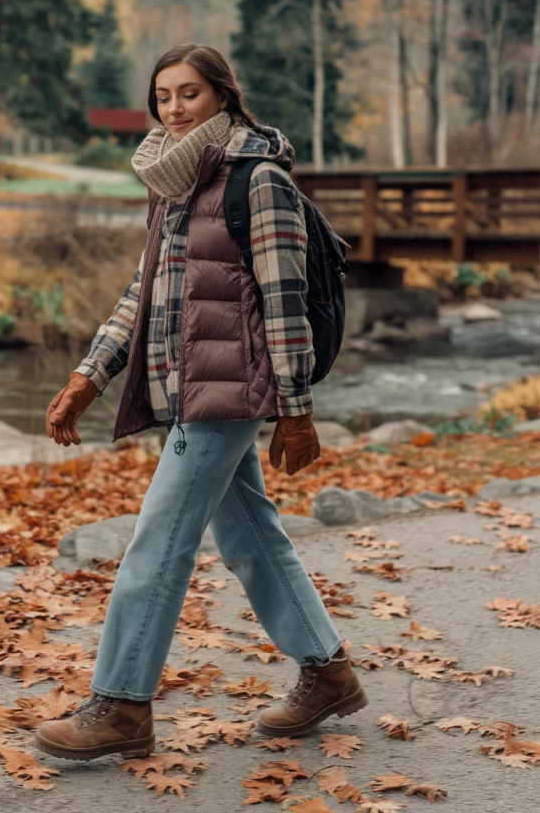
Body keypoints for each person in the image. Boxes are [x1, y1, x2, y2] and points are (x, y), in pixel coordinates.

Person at [35, 43, 367, 762]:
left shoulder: (257, 179)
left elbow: (283, 303)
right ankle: (328, 672)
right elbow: (144, 289)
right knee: (248, 534)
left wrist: (295, 408)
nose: (174, 107)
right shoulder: (174, 176)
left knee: (158, 540)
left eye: (188, 93)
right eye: (162, 96)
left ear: (221, 95)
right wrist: (88, 376)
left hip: (233, 388)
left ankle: (121, 703)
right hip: (187, 384)